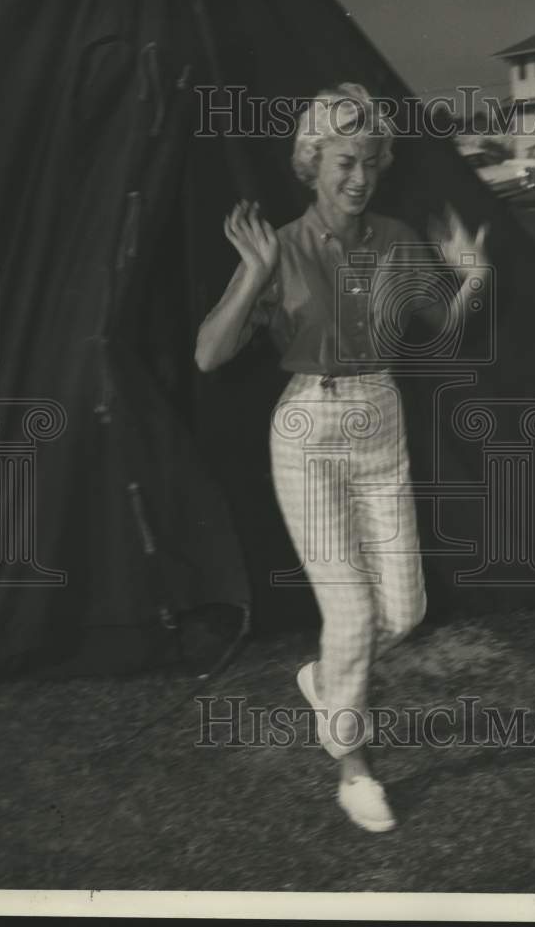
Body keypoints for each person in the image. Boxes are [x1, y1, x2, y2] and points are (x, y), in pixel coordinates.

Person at [195, 83, 490, 833]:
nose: (359, 179)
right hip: (307, 432)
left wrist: (471, 283)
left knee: (406, 609)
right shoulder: (281, 247)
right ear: (312, 161)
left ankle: (324, 677)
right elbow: (208, 354)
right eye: (343, 162)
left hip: (380, 422)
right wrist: (255, 275)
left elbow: (442, 331)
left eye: (370, 164)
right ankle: (355, 771)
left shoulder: (393, 238)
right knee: (354, 613)